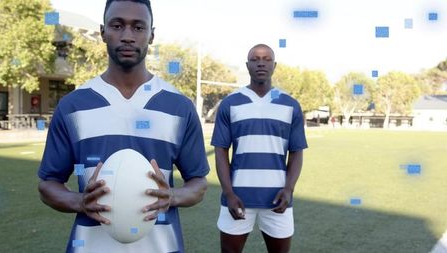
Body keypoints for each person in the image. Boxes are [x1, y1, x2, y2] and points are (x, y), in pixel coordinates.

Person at [37, 0, 209, 252]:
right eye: (117, 25)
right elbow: (48, 184)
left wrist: (173, 196)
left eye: (138, 27)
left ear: (152, 35)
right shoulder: (73, 106)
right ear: (103, 31)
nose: (127, 36)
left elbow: (199, 183)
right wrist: (79, 201)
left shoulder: (179, 107)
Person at [211, 44, 308, 253]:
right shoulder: (230, 103)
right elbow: (220, 151)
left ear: (274, 65)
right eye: (255, 59)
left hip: (278, 199)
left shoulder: (290, 105)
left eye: (266, 59)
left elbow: (297, 152)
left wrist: (289, 189)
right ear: (247, 66)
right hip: (237, 197)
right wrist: (228, 193)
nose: (261, 63)